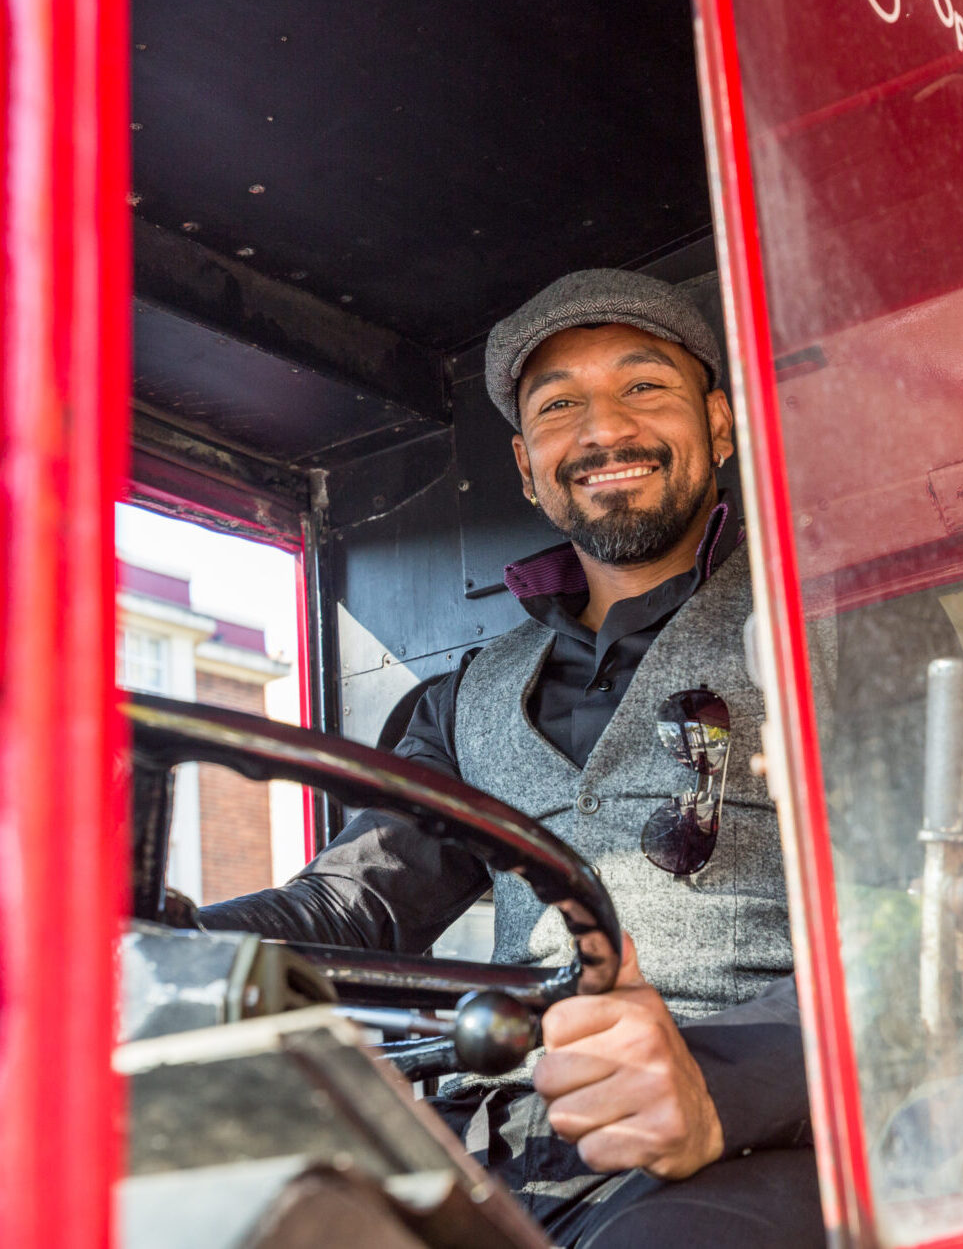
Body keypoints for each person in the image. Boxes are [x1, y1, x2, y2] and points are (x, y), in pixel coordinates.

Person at [201, 269, 824, 1247]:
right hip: (511, 1120)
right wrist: (155, 936)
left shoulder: (836, 633)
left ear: (721, 423)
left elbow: (938, 932)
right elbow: (348, 906)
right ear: (531, 469)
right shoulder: (463, 701)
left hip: (762, 1133)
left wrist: (727, 1082)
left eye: (643, 387)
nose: (604, 429)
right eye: (561, 407)